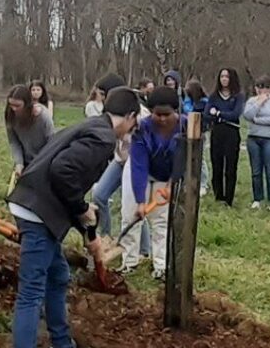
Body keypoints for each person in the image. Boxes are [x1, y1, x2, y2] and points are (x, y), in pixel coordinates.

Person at [5, 87, 141, 348]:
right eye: (134, 124)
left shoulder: (92, 126)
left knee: (58, 276)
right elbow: (63, 172)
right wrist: (82, 209)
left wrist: (88, 231)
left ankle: (62, 347)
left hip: (35, 208)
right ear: (131, 117)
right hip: (39, 214)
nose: (132, 131)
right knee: (30, 294)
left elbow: (65, 174)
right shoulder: (103, 138)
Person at [120, 87, 184, 279]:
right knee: (131, 216)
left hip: (167, 176)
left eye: (167, 114)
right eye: (158, 114)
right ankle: (129, 262)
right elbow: (139, 165)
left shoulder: (185, 127)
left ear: (176, 111)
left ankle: (161, 266)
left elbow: (183, 159)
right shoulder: (142, 128)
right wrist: (140, 200)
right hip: (140, 171)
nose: (163, 119)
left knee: (161, 221)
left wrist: (172, 184)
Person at [90, 74, 150, 259]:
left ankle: (143, 250)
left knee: (133, 208)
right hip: (119, 160)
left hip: (136, 164)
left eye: (102, 94)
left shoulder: (140, 114)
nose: (100, 98)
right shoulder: (109, 111)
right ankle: (107, 236)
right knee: (99, 194)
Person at [242, 75, 270, 211]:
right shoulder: (252, 101)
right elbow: (247, 115)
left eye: (265, 88)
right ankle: (257, 198)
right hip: (253, 138)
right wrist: (259, 103)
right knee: (256, 171)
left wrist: (257, 120)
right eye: (259, 88)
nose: (262, 91)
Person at [205, 68, 246, 206]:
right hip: (216, 133)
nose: (224, 79)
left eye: (227, 77)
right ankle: (218, 196)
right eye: (222, 76)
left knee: (230, 167)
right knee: (217, 165)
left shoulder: (238, 96)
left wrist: (218, 113)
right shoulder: (213, 96)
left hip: (232, 133)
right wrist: (219, 115)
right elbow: (207, 114)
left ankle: (229, 198)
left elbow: (235, 114)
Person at [5, 84, 57, 176]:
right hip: (26, 162)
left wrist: (42, 164)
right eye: (11, 105)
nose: (13, 109)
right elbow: (14, 142)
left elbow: (52, 143)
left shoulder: (43, 117)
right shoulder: (10, 116)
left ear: (27, 104)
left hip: (45, 162)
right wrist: (19, 163)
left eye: (17, 105)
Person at [185, 79, 211, 196]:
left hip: (201, 133)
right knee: (188, 158)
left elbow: (191, 112)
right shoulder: (188, 101)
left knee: (200, 159)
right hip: (188, 132)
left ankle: (203, 183)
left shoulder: (204, 103)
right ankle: (189, 183)